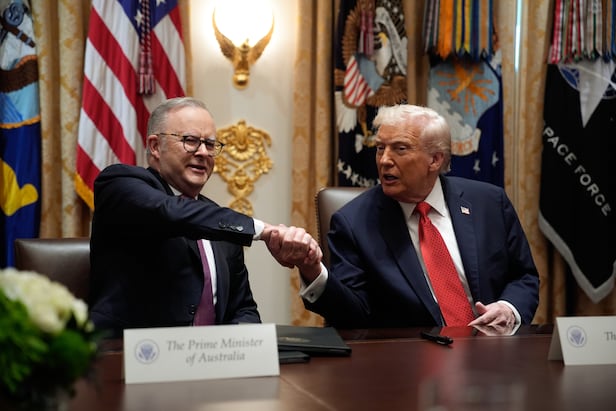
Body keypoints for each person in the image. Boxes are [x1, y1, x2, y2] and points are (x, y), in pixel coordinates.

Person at [288, 104, 539, 330]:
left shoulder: (489, 203)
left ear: (435, 159)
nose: (384, 160)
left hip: (492, 350)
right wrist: (313, 270)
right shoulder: (353, 223)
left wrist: (508, 308)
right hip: (411, 357)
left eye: (400, 149)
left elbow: (524, 276)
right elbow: (353, 315)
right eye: (380, 148)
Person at [89, 97, 318, 338]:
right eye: (190, 141)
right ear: (155, 146)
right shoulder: (119, 185)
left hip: (213, 357)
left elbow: (242, 308)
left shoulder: (220, 223)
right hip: (128, 354)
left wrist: (248, 349)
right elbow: (170, 212)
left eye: (210, 144)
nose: (203, 153)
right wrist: (264, 231)